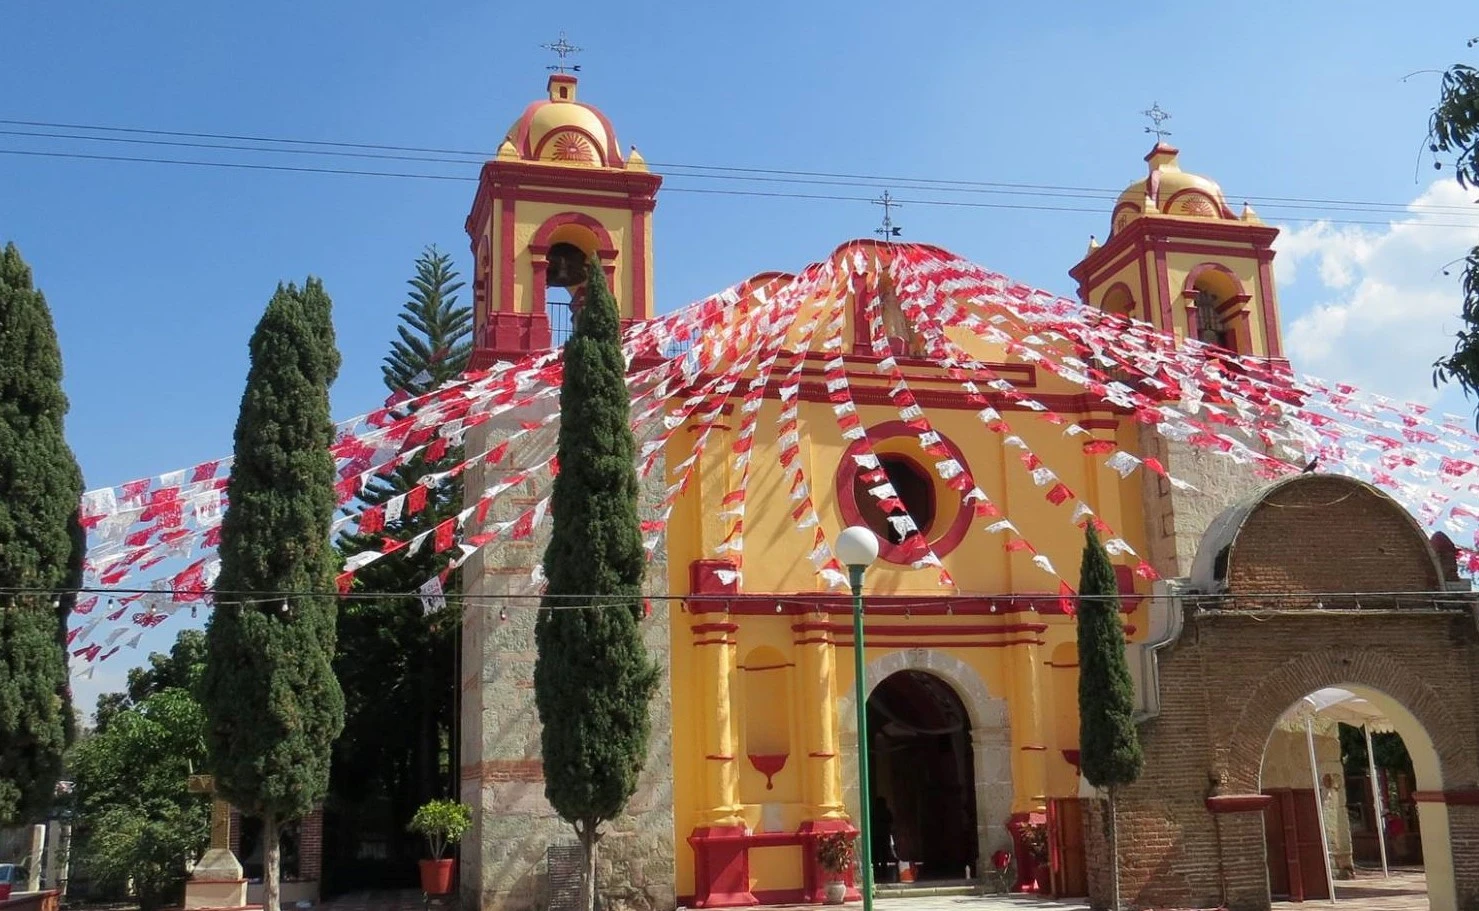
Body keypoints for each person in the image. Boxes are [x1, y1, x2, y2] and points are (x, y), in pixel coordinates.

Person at [872, 797, 896, 883]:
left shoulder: (874, 812)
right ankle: (884, 871)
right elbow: (891, 821)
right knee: (884, 853)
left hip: (876, 835)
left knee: (877, 854)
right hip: (884, 835)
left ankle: (876, 871)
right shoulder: (886, 812)